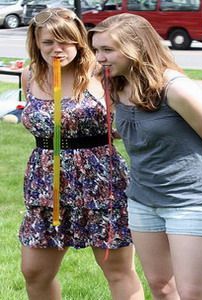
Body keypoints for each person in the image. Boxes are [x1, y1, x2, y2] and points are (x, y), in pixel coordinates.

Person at [88, 14, 202, 300]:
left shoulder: (176, 89)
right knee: (161, 287)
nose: (99, 58)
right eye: (96, 50)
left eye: (107, 50)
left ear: (136, 48)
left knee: (192, 292)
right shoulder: (116, 85)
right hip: (143, 199)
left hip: (192, 201)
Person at [19, 8, 144, 300]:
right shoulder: (30, 75)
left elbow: (135, 114)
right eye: (48, 41)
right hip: (45, 184)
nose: (57, 49)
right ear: (36, 43)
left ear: (79, 41)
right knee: (34, 271)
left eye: (65, 40)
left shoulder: (103, 74)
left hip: (100, 181)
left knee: (116, 269)